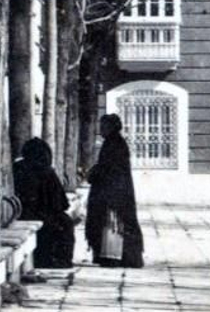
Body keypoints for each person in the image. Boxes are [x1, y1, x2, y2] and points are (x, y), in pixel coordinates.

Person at [85, 113, 144, 268]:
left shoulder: (114, 144)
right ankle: (113, 255)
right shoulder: (114, 143)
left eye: (104, 126)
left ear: (111, 127)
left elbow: (108, 168)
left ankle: (114, 256)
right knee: (112, 224)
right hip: (114, 190)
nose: (101, 130)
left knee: (113, 224)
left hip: (113, 193)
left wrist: (93, 174)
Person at [13, 137, 74, 269]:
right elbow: (61, 204)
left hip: (21, 214)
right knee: (65, 223)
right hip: (43, 216)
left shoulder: (17, 168)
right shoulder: (47, 172)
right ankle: (57, 261)